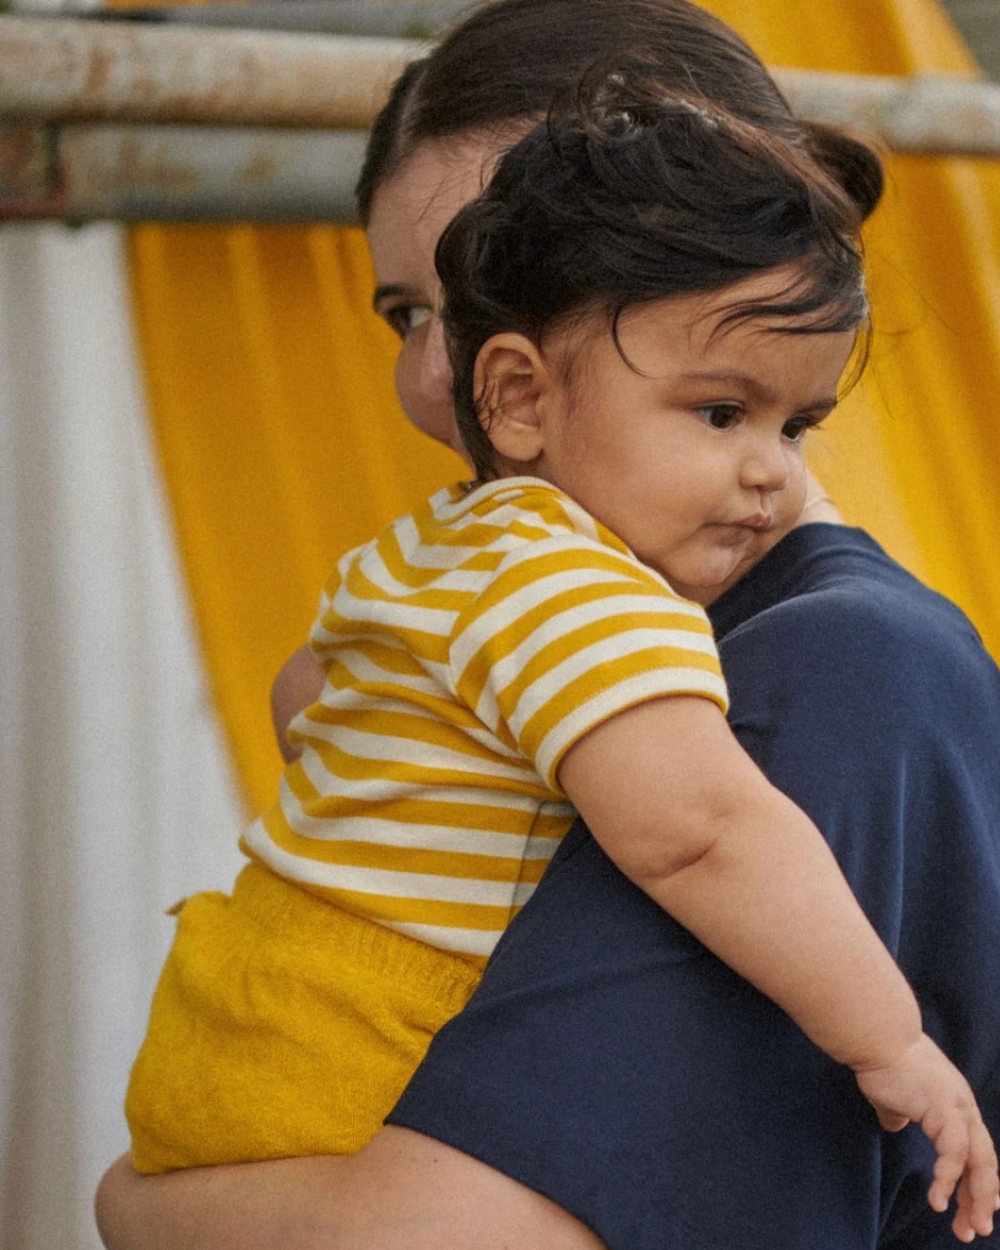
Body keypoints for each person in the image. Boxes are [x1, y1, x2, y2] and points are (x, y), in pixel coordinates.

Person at [95, 2, 1000, 1248]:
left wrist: (141, 1204)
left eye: (479, 287)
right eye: (405, 310)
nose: (438, 374)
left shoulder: (811, 670)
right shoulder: (551, 572)